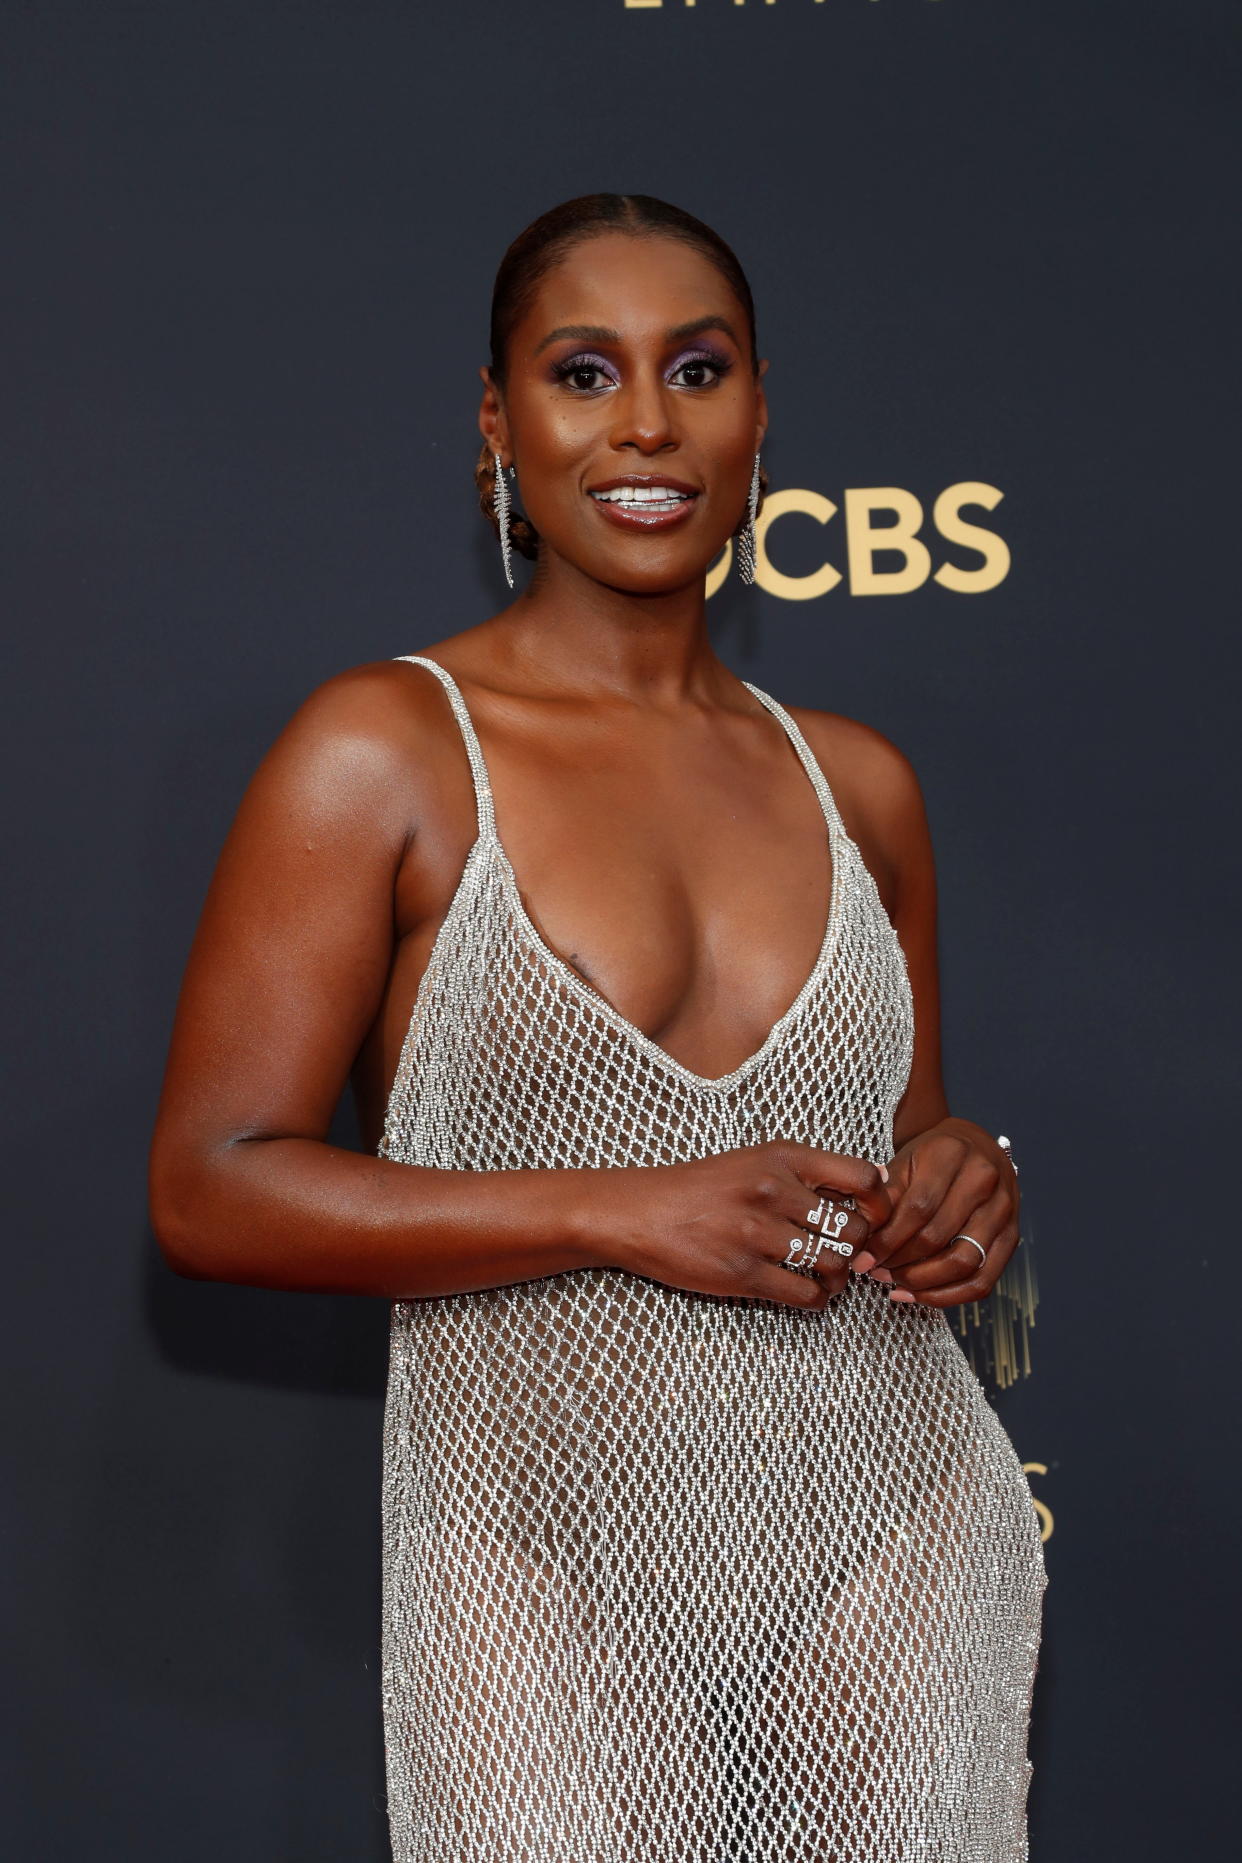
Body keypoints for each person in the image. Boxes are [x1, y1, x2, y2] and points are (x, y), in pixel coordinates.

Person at [149, 193, 1046, 1862]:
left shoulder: (858, 785)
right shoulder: (384, 751)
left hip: (884, 1550)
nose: (646, 422)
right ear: (498, 422)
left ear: (760, 412)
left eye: (695, 369)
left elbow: (902, 1153)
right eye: (582, 371)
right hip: (533, 1566)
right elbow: (210, 1188)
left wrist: (961, 1176)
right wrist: (615, 1207)